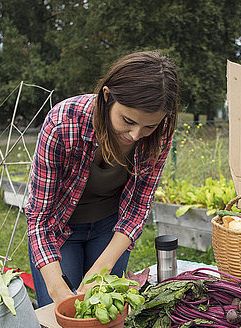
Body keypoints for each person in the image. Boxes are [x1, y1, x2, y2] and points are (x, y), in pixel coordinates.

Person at [26, 50, 179, 306]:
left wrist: (102, 268)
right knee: (61, 317)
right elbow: (39, 219)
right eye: (128, 121)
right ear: (107, 97)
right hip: (59, 229)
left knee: (102, 312)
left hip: (111, 229)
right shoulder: (63, 123)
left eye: (148, 126)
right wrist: (57, 290)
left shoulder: (160, 135)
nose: (136, 134)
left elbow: (138, 208)